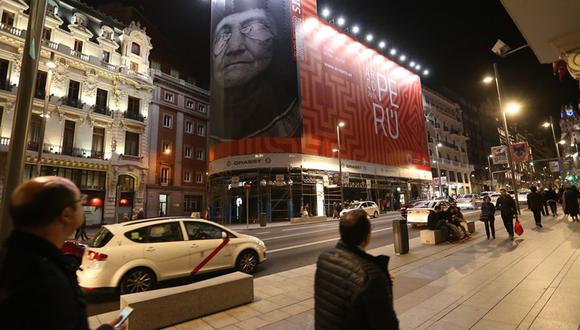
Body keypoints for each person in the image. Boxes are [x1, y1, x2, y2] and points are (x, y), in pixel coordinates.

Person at [0, 176, 124, 329]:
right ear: (66, 215)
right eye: (79, 201)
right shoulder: (46, 282)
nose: (83, 205)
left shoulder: (15, 258)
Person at [210, 0, 300, 141]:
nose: (234, 47)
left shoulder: (294, 119)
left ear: (276, 41)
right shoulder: (213, 130)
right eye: (223, 36)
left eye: (254, 28)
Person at [314, 209, 399, 329]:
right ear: (367, 237)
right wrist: (381, 281)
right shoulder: (371, 276)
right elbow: (387, 325)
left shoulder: (324, 259)